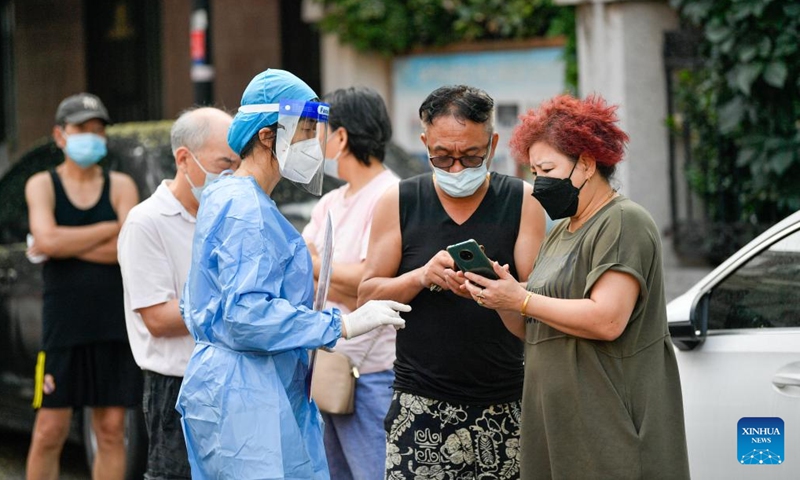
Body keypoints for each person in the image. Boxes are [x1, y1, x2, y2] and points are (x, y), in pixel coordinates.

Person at [175, 68, 411, 480]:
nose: (313, 143)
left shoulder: (234, 197)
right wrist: (342, 324)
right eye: (304, 130)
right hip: (246, 396)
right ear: (268, 136)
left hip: (249, 388)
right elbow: (245, 315)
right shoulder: (245, 209)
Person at [460, 94, 690, 478]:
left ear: (586, 163)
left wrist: (523, 298)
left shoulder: (623, 221)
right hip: (557, 426)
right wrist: (501, 298)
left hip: (608, 427)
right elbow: (532, 327)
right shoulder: (561, 231)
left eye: (547, 169)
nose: (539, 182)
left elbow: (608, 319)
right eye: (534, 171)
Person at [359, 84, 545, 479]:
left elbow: (541, 301)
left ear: (492, 144)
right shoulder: (399, 201)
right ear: (425, 142)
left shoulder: (523, 201)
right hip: (420, 404)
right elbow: (368, 293)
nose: (457, 169)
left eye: (471, 156)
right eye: (442, 157)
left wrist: (506, 292)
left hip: (506, 402)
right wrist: (422, 275)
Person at [117, 107, 240, 479]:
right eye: (224, 164)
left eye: (238, 165)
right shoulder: (146, 222)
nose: (232, 175)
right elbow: (158, 319)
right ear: (184, 159)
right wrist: (233, 301)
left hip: (231, 377)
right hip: (177, 388)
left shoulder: (226, 214)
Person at [24, 93, 141, 480]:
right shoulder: (42, 184)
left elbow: (129, 249)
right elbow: (46, 239)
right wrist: (109, 230)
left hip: (112, 326)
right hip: (63, 328)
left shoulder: (121, 185)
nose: (91, 137)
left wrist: (64, 241)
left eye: (98, 130)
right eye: (81, 129)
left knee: (110, 431)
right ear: (60, 135)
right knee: (49, 431)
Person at [301, 86, 400, 480]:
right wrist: (335, 274)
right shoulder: (330, 201)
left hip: (371, 372)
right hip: (327, 363)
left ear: (341, 137)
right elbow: (305, 271)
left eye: (319, 130)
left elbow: (369, 285)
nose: (313, 140)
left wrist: (319, 266)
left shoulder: (390, 194)